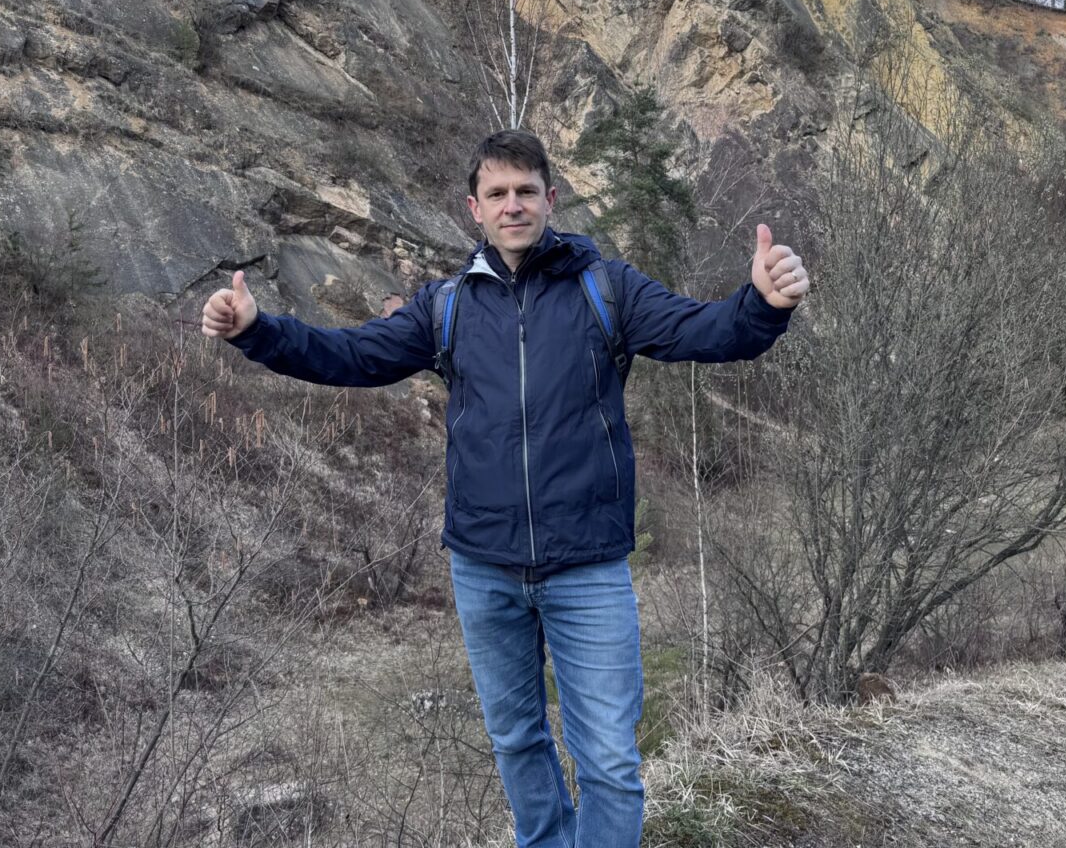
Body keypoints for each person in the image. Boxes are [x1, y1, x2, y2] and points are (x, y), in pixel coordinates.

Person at [202, 128, 810, 847]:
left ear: (550, 199)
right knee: (517, 742)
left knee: (609, 761)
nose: (512, 205)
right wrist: (257, 331)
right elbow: (352, 355)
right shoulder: (446, 306)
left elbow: (705, 330)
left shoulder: (607, 289)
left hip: (587, 565)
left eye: (526, 191)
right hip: (484, 566)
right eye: (497, 193)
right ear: (475, 209)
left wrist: (762, 305)